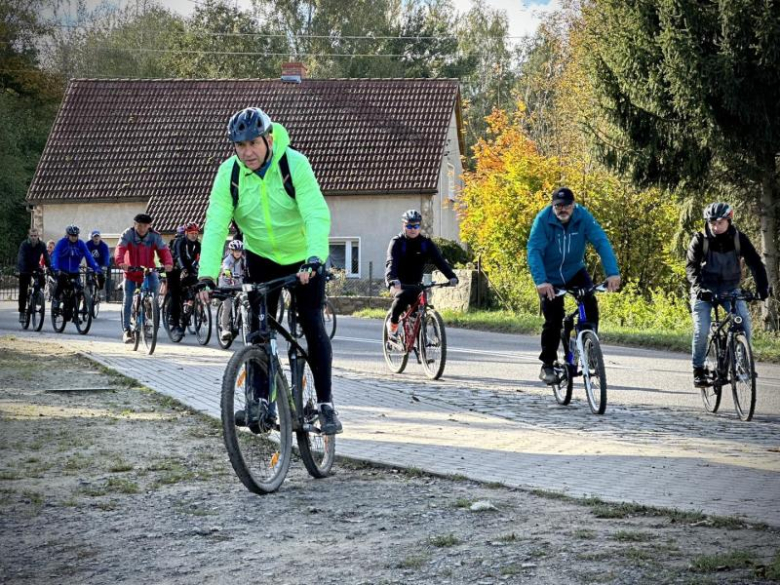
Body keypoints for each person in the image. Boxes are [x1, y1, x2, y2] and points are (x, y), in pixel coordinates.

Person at [196, 106, 341, 435]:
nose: (247, 152)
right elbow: (216, 224)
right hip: (260, 256)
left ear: (269, 139)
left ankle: (325, 405)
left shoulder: (294, 164)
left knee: (312, 321)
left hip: (303, 257)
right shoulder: (229, 175)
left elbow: (315, 213)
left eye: (253, 144)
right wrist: (206, 275)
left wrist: (316, 257)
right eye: (240, 146)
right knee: (258, 328)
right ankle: (259, 402)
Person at [527, 187, 621, 383]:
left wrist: (612, 273)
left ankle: (589, 348)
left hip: (574, 271)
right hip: (549, 277)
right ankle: (548, 364)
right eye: (558, 206)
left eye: (567, 206)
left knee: (590, 304)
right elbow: (534, 250)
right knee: (553, 318)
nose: (563, 210)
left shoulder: (583, 217)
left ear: (574, 206)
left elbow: (601, 241)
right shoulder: (543, 220)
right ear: (552, 206)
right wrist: (541, 281)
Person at [686, 202, 769, 387]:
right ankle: (698, 370)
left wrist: (763, 288)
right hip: (704, 291)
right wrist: (700, 289)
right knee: (702, 330)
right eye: (712, 223)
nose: (715, 227)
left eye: (720, 223)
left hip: (730, 289)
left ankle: (742, 364)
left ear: (729, 221)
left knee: (744, 322)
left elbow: (755, 264)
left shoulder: (739, 239)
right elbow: (691, 268)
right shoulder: (700, 239)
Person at [384, 209, 459, 341]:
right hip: (398, 282)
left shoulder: (425, 243)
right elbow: (391, 262)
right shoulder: (397, 243)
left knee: (418, 308)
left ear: (420, 226)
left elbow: (439, 261)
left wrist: (451, 276)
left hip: (416, 284)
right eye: (409, 226)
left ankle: (421, 336)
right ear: (404, 226)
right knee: (402, 296)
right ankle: (393, 323)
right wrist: (392, 279)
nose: (413, 229)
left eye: (416, 226)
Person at [114, 214, 173, 343]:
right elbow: (120, 248)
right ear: (135, 225)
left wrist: (168, 263)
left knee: (155, 291)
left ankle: (150, 311)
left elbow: (164, 250)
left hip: (148, 271)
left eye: (145, 226)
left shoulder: (154, 236)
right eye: (139, 225)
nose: (142, 228)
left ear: (149, 226)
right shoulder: (127, 234)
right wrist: (121, 262)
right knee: (128, 299)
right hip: (131, 272)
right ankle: (127, 331)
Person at [50, 225, 101, 313]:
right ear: (68, 235)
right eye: (72, 235)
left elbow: (88, 256)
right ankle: (56, 301)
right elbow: (56, 256)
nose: (74, 237)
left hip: (75, 271)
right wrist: (55, 268)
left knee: (78, 291)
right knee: (60, 285)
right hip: (62, 271)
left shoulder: (81, 244)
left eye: (76, 235)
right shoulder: (62, 243)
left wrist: (96, 268)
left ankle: (74, 311)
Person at [16, 228, 51, 322]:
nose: (33, 238)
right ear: (28, 236)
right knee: (23, 291)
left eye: (35, 236)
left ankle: (38, 296)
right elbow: (21, 257)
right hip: (25, 268)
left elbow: (46, 257)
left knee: (42, 278)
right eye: (31, 236)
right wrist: (21, 269)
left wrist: (50, 267)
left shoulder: (42, 245)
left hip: (35, 266)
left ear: (38, 236)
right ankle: (22, 312)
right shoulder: (24, 244)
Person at [218, 239, 247, 342]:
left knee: (245, 300)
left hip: (238, 284)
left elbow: (247, 270)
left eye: (240, 251)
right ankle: (224, 329)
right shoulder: (228, 260)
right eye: (236, 251)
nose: (238, 253)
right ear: (231, 251)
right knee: (227, 305)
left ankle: (241, 322)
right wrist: (229, 276)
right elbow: (226, 269)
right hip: (226, 284)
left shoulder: (243, 260)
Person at [166, 225, 186, 335]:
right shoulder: (175, 243)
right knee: (175, 294)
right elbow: (172, 257)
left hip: (182, 270)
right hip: (173, 271)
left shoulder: (191, 244)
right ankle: (174, 320)